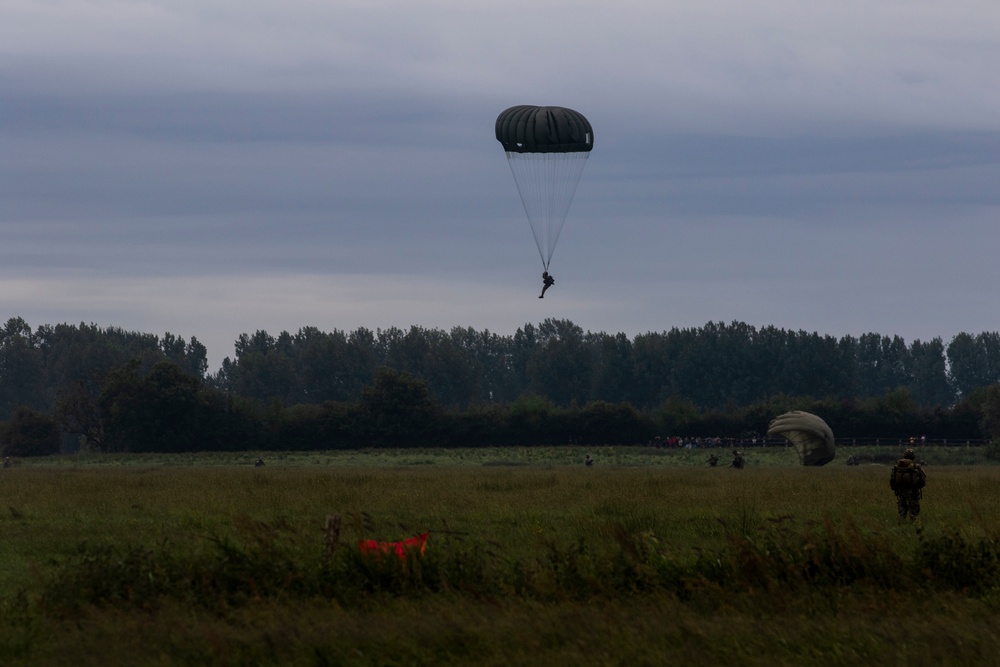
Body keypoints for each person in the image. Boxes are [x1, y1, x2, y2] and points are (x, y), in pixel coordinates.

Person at [890, 448, 926, 521]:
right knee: (914, 515)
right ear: (913, 457)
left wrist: (896, 489)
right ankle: (913, 529)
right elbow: (923, 478)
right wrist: (917, 487)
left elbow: (892, 480)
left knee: (902, 514)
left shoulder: (897, 467)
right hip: (913, 492)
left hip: (900, 492)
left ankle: (901, 528)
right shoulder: (916, 466)